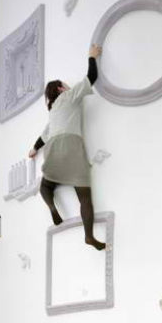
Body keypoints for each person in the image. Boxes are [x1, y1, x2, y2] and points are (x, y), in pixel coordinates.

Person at [28, 44, 105, 250]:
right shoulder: (69, 96)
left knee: (45, 186)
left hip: (53, 147)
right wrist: (92, 56)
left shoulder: (53, 112)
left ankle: (52, 207)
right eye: (65, 84)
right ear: (61, 89)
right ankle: (89, 236)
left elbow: (44, 136)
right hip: (72, 147)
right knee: (85, 197)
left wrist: (34, 149)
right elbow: (91, 77)